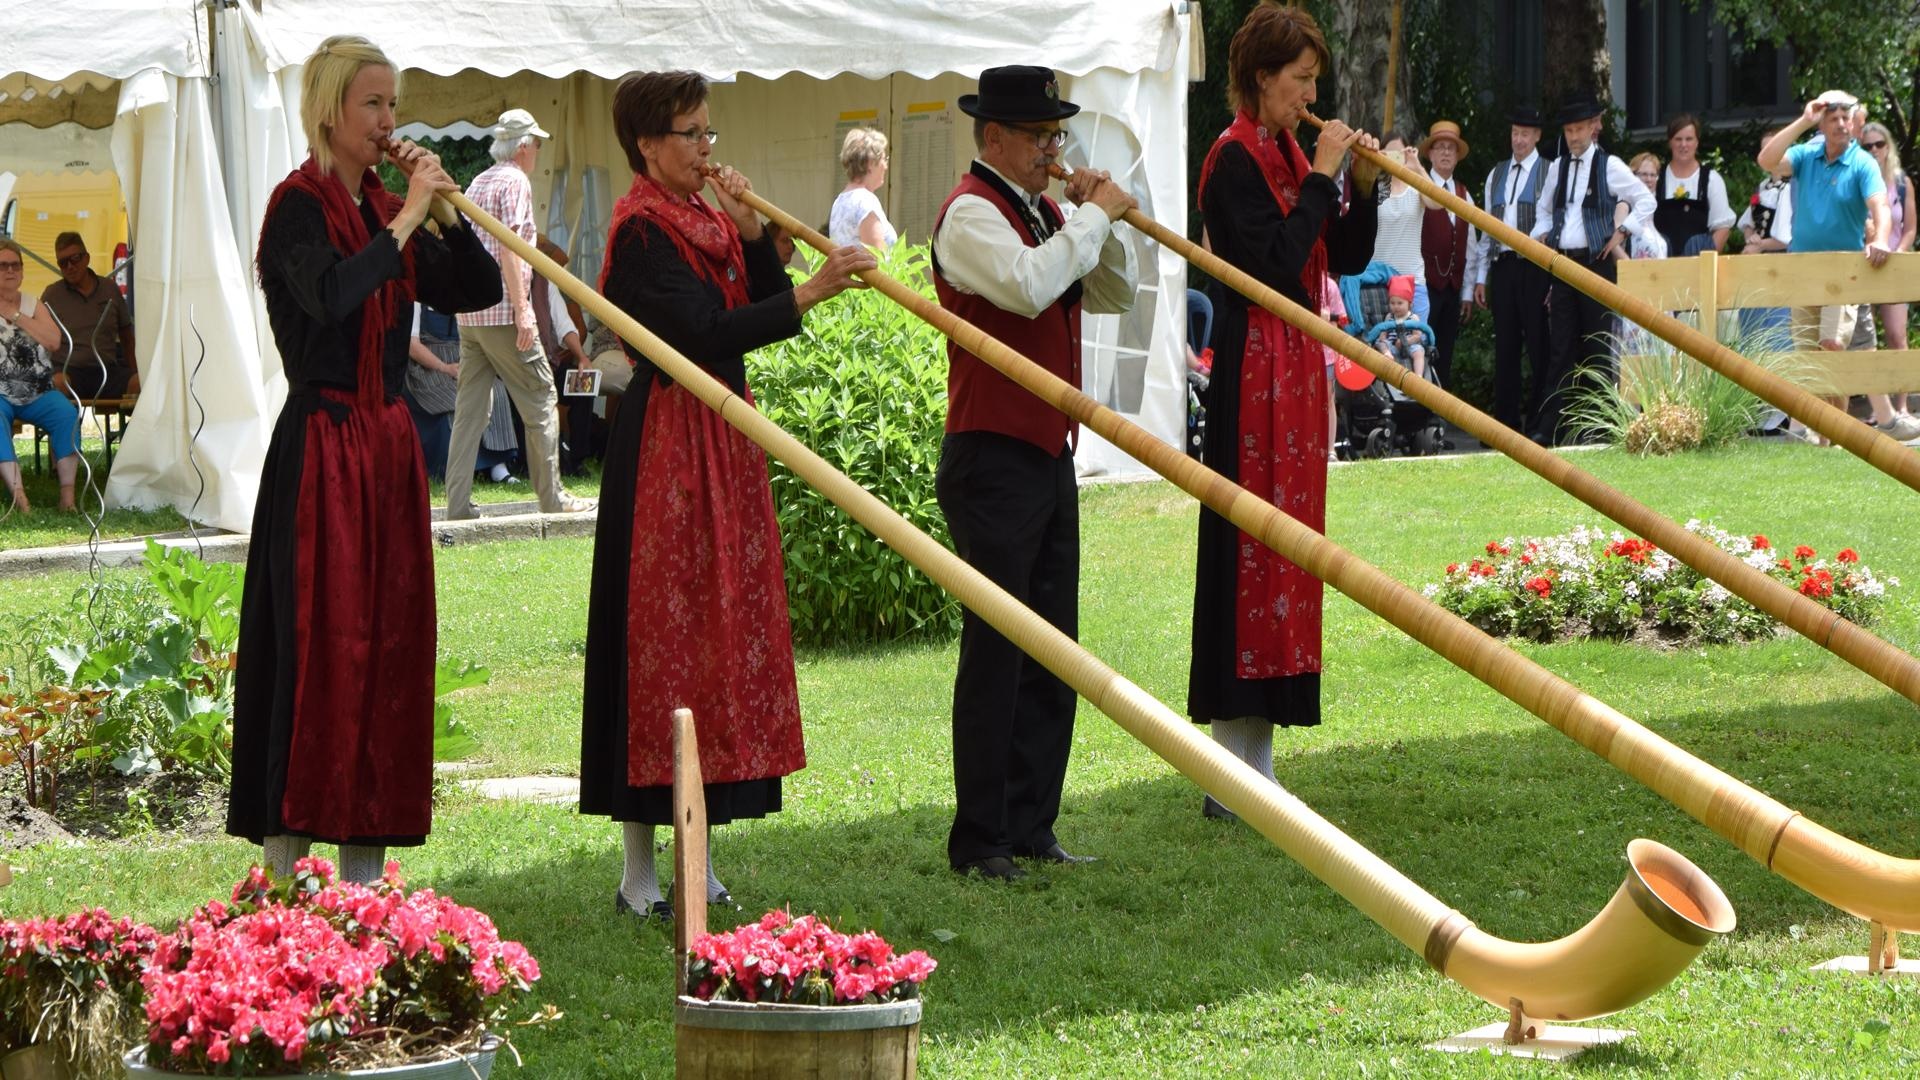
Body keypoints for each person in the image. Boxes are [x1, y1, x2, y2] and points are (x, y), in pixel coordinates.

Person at [580, 70, 877, 920]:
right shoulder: (639, 230)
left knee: (714, 641)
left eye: (711, 133)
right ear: (648, 144)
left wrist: (752, 231)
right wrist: (812, 288)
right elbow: (700, 335)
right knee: (658, 646)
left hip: (722, 435)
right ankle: (642, 867)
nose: (708, 149)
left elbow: (755, 305)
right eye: (691, 134)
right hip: (668, 439)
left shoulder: (707, 213)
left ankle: (696, 855)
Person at [227, 35, 503, 883]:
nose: (389, 121)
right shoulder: (295, 207)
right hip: (322, 447)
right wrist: (411, 216)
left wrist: (448, 216)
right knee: (317, 646)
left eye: (394, 104)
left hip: (383, 451)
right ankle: (285, 871)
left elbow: (476, 290)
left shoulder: (389, 199)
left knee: (386, 645)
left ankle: (364, 881)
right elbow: (334, 299)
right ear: (329, 113)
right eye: (373, 106)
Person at [932, 63, 1137, 881]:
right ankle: (979, 837)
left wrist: (1103, 219)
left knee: (1054, 646)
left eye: (1058, 135)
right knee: (998, 649)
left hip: (1045, 449)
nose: (1055, 148)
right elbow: (1026, 288)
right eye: (1042, 136)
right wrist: (1086, 217)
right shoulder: (968, 215)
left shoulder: (1046, 209)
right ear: (994, 138)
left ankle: (1031, 824)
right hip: (990, 453)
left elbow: (1111, 291)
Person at [1189, 3, 1377, 822]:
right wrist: (1326, 175)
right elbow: (1271, 262)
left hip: (1295, 366)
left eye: (1313, 81)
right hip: (1252, 364)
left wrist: (1358, 184)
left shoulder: (1288, 149)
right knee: (1248, 546)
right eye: (1299, 79)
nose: (1309, 94)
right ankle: (1225, 772)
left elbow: (1347, 254)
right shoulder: (1232, 159)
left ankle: (1256, 763)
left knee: (1291, 550)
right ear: (1261, 80)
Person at [444, 108, 592, 519]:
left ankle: (457, 506)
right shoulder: (515, 182)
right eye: (538, 144)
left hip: (471, 316)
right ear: (524, 146)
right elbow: (512, 247)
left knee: (470, 411)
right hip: (503, 312)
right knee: (543, 397)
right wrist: (524, 309)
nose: (540, 151)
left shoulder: (479, 181)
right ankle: (554, 500)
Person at [1758, 90, 1900, 442]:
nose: (1840, 124)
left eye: (1845, 118)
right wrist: (1804, 120)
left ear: (1853, 123)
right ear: (1821, 123)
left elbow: (1880, 207)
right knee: (1807, 356)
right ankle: (1824, 435)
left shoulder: (1862, 162)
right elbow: (1767, 160)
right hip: (1803, 268)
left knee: (1832, 345)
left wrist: (1881, 239)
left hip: (1843, 271)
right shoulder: (1807, 154)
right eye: (1832, 118)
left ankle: (1834, 436)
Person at [1528, 91, 1655, 446]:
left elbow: (1646, 199)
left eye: (1580, 129)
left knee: (1599, 347)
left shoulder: (1610, 165)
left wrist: (1622, 233)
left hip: (1597, 264)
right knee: (1561, 349)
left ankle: (1603, 427)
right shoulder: (1558, 166)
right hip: (1565, 264)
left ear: (1593, 128)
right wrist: (1542, 236)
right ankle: (1552, 428)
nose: (1574, 136)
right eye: (1569, 130)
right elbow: (1543, 210)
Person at [1466, 106, 1551, 433]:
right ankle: (1505, 426)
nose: (1518, 139)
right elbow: (1487, 228)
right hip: (1503, 266)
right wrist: (1481, 277)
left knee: (1539, 346)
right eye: (1515, 133)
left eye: (1525, 134)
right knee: (1506, 346)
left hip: (1534, 267)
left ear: (1537, 136)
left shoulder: (1549, 170)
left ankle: (1540, 423)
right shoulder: (1496, 173)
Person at [0, 239, 80, 513]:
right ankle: (20, 499)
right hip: (0, 393)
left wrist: (15, 314)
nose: (10, 271)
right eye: (3, 265)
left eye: (15, 265)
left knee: (67, 414)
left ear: (22, 271)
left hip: (38, 391)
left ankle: (67, 498)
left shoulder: (33, 304)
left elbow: (54, 341)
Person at [38, 232, 139, 400]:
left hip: (108, 370)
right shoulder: (52, 295)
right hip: (68, 371)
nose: (70, 266)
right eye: (63, 263)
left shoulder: (110, 289)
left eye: (75, 258)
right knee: (58, 383)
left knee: (141, 383)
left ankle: (132, 427)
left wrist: (135, 371)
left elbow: (127, 338)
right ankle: (70, 427)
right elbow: (39, 341)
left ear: (86, 258)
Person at [1861, 121, 1916, 418]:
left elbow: (1910, 228)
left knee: (1897, 337)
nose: (1873, 150)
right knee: (1865, 341)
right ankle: (1877, 409)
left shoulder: (1902, 181)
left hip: (1893, 264)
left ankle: (1903, 407)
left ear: (1888, 146)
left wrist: (1899, 254)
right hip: (1863, 265)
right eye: (1867, 146)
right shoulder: (1857, 178)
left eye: (1878, 144)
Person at [532, 236, 595, 474]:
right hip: (522, 365)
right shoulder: (508, 279)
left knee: (585, 385)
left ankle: (577, 458)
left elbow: (564, 324)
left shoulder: (546, 282)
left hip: (550, 362)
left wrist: (582, 358)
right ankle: (549, 459)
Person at [1419, 120, 1474, 388]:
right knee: (1421, 349)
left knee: (1446, 351)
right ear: (1429, 154)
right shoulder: (1417, 187)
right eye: (1439, 147)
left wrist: (1467, 292)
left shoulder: (1465, 194)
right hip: (1424, 285)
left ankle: (1438, 412)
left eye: (1450, 148)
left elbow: (1471, 247)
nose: (1445, 153)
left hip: (1452, 288)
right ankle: (1416, 411)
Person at [1371, 137, 1438, 323]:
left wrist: (1417, 166)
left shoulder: (1416, 189)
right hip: (1379, 283)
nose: (1395, 158)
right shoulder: (1376, 189)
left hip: (1413, 282)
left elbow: (1438, 202)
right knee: (1381, 346)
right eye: (1390, 153)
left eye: (1400, 153)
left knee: (1416, 344)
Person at [1652, 114, 1734, 256]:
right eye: (1678, 139)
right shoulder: (1656, 177)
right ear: (1670, 142)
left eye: (1689, 139)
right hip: (1660, 266)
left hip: (1698, 265)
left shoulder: (1712, 179)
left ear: (1697, 142)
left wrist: (1706, 265)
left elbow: (1722, 229)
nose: (1683, 145)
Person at [829, 127, 897, 250]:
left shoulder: (839, 201)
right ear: (870, 163)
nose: (886, 166)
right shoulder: (865, 200)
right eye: (884, 159)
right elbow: (876, 258)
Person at [1365, 275, 1434, 379]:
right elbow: (1383, 333)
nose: (1396, 306)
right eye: (1392, 303)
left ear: (1409, 304)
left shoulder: (1413, 317)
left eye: (1400, 303)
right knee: (1379, 343)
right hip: (1392, 346)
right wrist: (1383, 339)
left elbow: (1417, 336)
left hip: (1410, 346)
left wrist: (1406, 341)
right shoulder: (1389, 316)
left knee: (1420, 351)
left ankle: (1418, 376)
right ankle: (1386, 354)